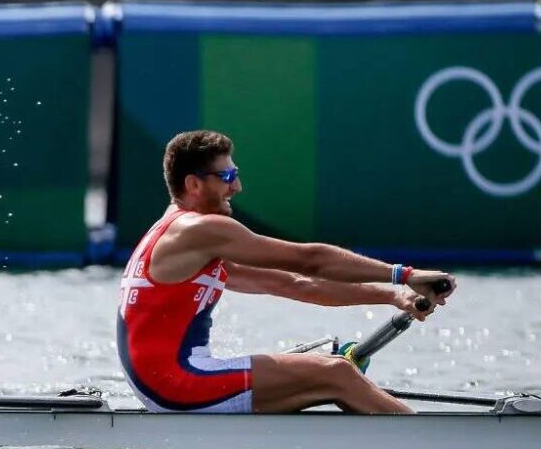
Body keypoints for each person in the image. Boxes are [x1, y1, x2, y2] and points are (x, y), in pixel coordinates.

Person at [117, 130, 456, 414]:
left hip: (161, 384)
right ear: (193, 185)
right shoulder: (199, 231)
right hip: (175, 383)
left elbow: (297, 284)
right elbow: (309, 260)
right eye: (228, 177)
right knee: (337, 372)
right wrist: (404, 273)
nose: (237, 187)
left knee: (332, 370)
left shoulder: (179, 236)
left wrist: (394, 296)